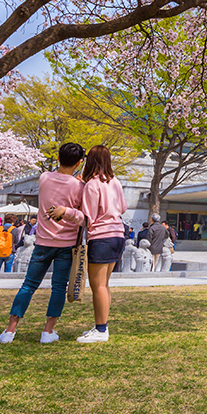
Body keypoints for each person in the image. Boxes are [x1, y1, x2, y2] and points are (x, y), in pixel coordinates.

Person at [0, 142, 87, 345]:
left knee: (29, 285)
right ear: (79, 163)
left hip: (43, 241)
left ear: (58, 159)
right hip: (66, 243)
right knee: (58, 287)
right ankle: (48, 331)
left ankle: (10, 330)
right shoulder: (79, 187)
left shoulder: (45, 177)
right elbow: (83, 217)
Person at [70, 144, 127, 343]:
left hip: (101, 236)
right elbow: (124, 207)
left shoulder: (92, 184)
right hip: (118, 234)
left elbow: (88, 216)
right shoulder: (116, 182)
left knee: (98, 286)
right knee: (104, 284)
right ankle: (101, 327)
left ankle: (101, 330)